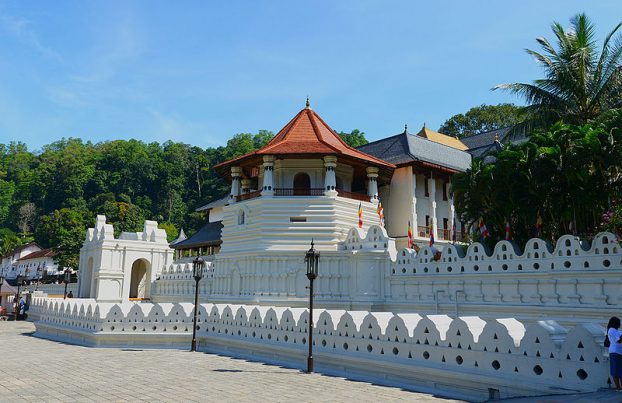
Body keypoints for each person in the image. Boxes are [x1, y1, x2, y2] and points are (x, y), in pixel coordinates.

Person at [607, 316, 622, 391]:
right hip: (615, 352)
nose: (620, 324)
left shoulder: (618, 331)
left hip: (620, 352)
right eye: (619, 323)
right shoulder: (611, 330)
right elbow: (619, 341)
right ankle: (618, 387)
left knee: (620, 371)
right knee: (615, 371)